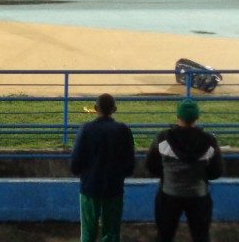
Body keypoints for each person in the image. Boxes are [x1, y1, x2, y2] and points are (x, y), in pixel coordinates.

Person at [146, 98, 223, 242]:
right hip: (199, 196)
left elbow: (151, 165)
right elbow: (216, 172)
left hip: (169, 194)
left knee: (164, 235)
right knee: (201, 236)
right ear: (197, 117)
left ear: (178, 116)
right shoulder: (209, 141)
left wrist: (167, 176)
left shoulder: (163, 138)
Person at [70, 93, 136, 242]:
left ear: (95, 108)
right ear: (115, 109)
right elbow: (130, 164)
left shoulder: (86, 129)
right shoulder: (123, 130)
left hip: (89, 187)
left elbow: (75, 164)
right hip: (114, 188)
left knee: (88, 232)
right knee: (112, 232)